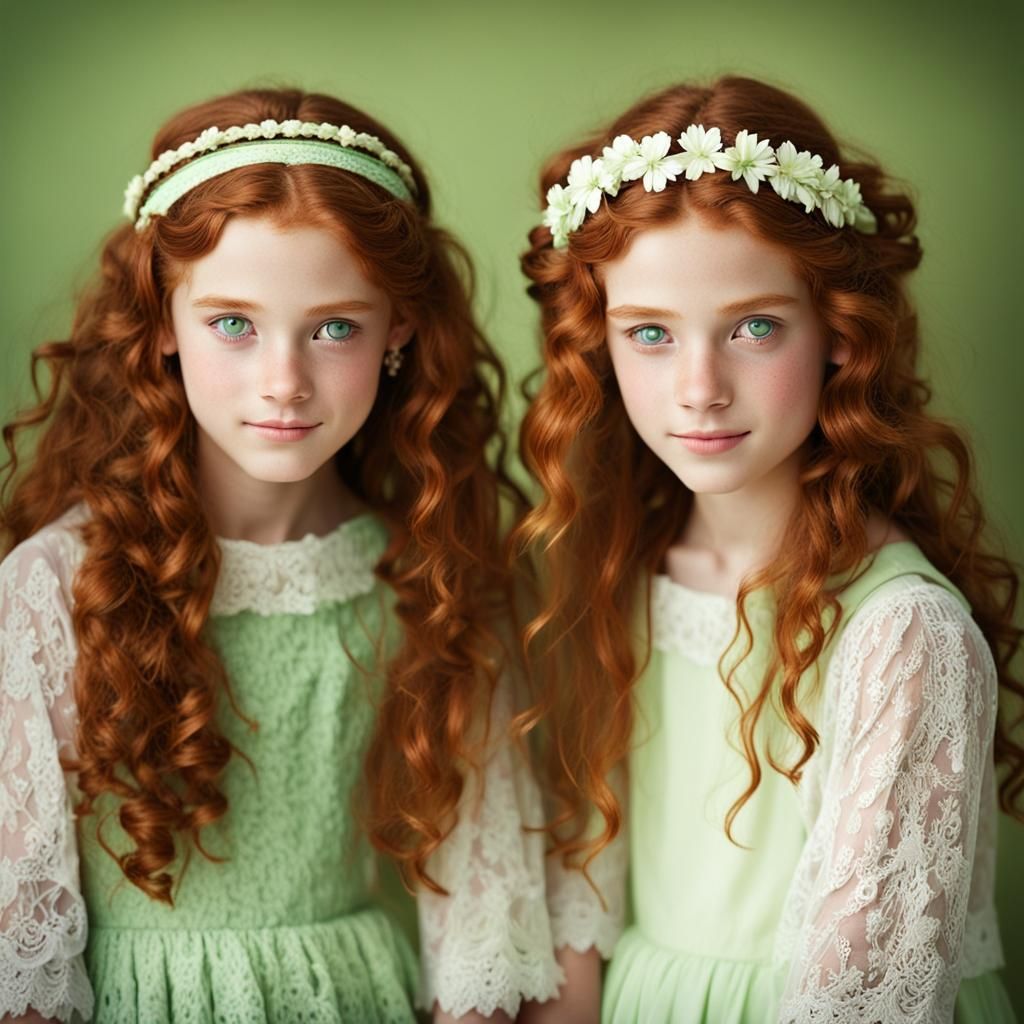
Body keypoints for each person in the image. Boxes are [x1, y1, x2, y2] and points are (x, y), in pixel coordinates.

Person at [0, 87, 556, 1023]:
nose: (284, 381)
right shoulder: (53, 591)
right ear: (161, 323)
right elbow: (24, 963)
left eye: (334, 326)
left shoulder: (433, 581)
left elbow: (481, 937)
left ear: (400, 333)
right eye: (233, 323)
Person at [514, 75, 1022, 1022]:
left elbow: (860, 999)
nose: (699, 388)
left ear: (838, 331)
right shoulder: (620, 574)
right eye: (652, 334)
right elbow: (581, 906)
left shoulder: (901, 633)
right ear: (601, 344)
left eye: (753, 327)